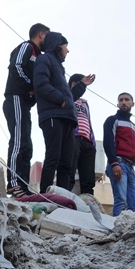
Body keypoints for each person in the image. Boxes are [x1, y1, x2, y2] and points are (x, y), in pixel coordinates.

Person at [33, 32, 94, 193]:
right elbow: (40, 84)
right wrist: (60, 99)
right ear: (58, 45)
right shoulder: (44, 59)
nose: (68, 50)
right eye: (66, 46)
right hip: (53, 116)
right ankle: (46, 194)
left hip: (67, 119)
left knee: (66, 163)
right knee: (53, 157)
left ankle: (63, 197)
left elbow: (70, 98)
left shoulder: (60, 69)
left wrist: (82, 85)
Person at [2, 23, 48, 197]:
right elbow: (16, 66)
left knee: (27, 145)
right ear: (41, 34)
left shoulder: (40, 56)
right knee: (18, 141)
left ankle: (23, 185)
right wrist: (29, 87)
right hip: (15, 98)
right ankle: (13, 183)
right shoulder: (27, 47)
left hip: (25, 104)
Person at [102, 92, 135, 215]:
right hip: (118, 163)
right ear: (118, 104)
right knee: (121, 201)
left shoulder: (134, 126)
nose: (124, 102)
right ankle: (117, 227)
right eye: (121, 100)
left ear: (132, 104)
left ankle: (133, 227)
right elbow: (108, 142)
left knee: (134, 205)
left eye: (127, 100)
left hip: (130, 167)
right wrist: (114, 163)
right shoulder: (112, 120)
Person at [69, 73, 98, 197]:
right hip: (73, 137)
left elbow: (88, 120)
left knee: (88, 174)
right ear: (74, 84)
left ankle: (88, 198)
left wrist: (92, 141)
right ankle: (65, 195)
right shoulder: (67, 97)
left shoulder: (85, 103)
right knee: (69, 169)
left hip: (87, 140)